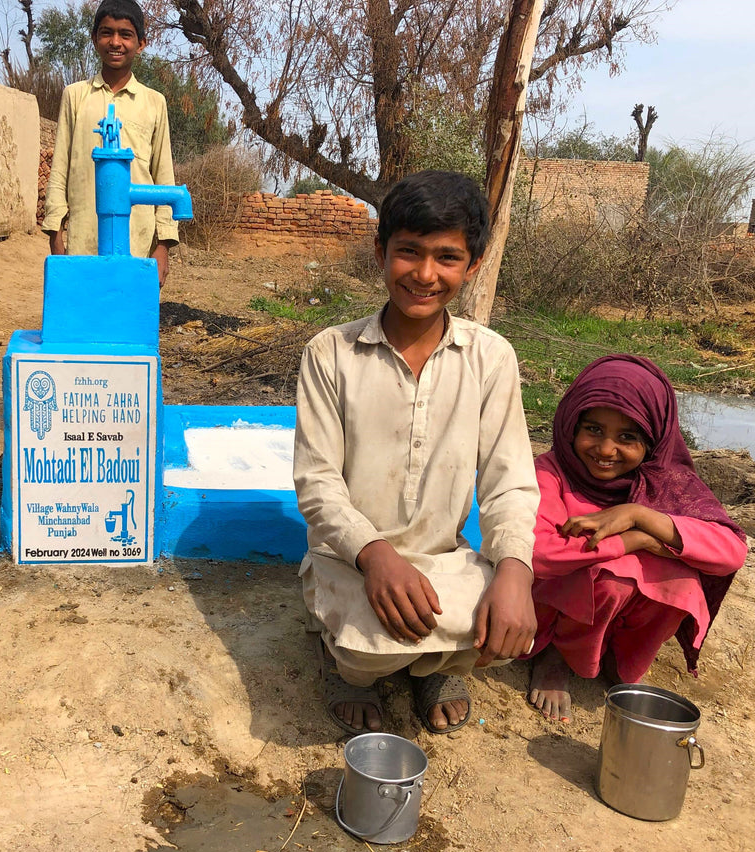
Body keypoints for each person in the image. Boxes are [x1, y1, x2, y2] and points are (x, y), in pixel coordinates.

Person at [293, 170, 540, 736]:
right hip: (351, 562)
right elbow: (317, 482)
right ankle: (346, 667)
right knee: (367, 642)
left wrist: (515, 571)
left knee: (508, 621)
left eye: (447, 258)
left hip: (442, 560)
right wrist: (374, 556)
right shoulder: (330, 353)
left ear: (472, 266)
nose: (425, 275)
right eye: (409, 252)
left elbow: (510, 483)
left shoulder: (491, 358)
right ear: (381, 252)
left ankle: (434, 665)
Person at [528, 355, 747, 721]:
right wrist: (630, 542)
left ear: (654, 441)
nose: (606, 450)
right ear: (570, 426)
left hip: (620, 605)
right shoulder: (549, 473)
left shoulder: (668, 482)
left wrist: (638, 517)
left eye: (627, 437)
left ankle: (621, 659)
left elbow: (731, 552)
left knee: (681, 583)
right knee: (613, 581)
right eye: (593, 430)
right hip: (552, 603)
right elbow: (539, 554)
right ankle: (559, 654)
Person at [41, 0, 178, 286]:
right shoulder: (76, 96)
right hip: (83, 239)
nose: (115, 42)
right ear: (94, 39)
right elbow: (60, 170)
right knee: (82, 320)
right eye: (107, 32)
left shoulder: (154, 103)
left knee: (127, 319)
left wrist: (163, 245)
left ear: (140, 44)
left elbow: (163, 176)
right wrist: (56, 234)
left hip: (136, 241)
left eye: (125, 34)